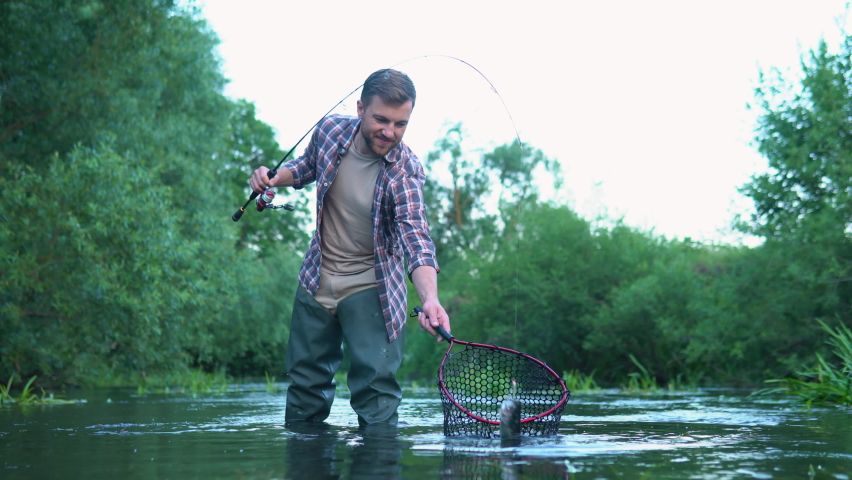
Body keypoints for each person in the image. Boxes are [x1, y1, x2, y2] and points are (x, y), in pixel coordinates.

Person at [249, 68, 450, 426]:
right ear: (360, 109)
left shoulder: (406, 172)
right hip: (317, 279)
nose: (390, 132)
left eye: (400, 124)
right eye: (381, 120)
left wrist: (431, 299)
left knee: (376, 396)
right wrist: (274, 177)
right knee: (304, 391)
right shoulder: (329, 131)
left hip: (371, 288)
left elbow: (416, 238)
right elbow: (307, 166)